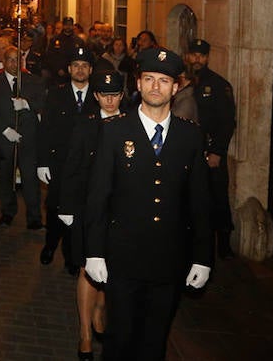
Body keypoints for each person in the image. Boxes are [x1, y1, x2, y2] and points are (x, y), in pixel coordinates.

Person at [85, 48, 213, 361]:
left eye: (164, 80)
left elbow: (199, 201)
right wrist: (94, 251)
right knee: (119, 340)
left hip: (169, 260)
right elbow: (98, 196)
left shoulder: (190, 136)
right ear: (138, 84)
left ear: (176, 86)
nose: (156, 86)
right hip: (123, 257)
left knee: (154, 342)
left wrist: (202, 257)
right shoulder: (114, 132)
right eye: (149, 79)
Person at [57, 70, 125, 360]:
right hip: (88, 207)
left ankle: (100, 308)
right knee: (87, 266)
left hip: (121, 209)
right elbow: (72, 166)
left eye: (115, 95)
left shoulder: (132, 123)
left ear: (122, 95)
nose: (110, 100)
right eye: (104, 95)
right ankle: (84, 333)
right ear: (95, 96)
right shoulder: (85, 125)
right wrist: (67, 208)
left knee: (113, 267)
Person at [37, 46, 100, 270]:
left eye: (84, 66)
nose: (80, 70)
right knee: (55, 208)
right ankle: (50, 245)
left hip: (88, 167)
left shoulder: (99, 95)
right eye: (76, 66)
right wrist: (42, 161)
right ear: (69, 69)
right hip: (60, 164)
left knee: (80, 211)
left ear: (91, 69)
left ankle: (72, 255)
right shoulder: (56, 93)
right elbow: (45, 129)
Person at [186, 38, 237, 259]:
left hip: (211, 152)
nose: (197, 59)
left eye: (202, 55)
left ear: (207, 58)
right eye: (194, 54)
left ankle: (224, 245)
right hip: (189, 152)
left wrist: (217, 151)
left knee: (218, 198)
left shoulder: (219, 84)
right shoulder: (183, 81)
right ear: (188, 56)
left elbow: (227, 122)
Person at [0, 45, 46, 230]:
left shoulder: (34, 81)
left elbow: (43, 102)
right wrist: (4, 130)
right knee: (6, 178)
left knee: (30, 179)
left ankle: (34, 216)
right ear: (4, 61)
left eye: (18, 59)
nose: (15, 63)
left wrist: (27, 104)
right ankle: (8, 212)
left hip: (28, 138)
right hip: (5, 139)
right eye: (11, 59)